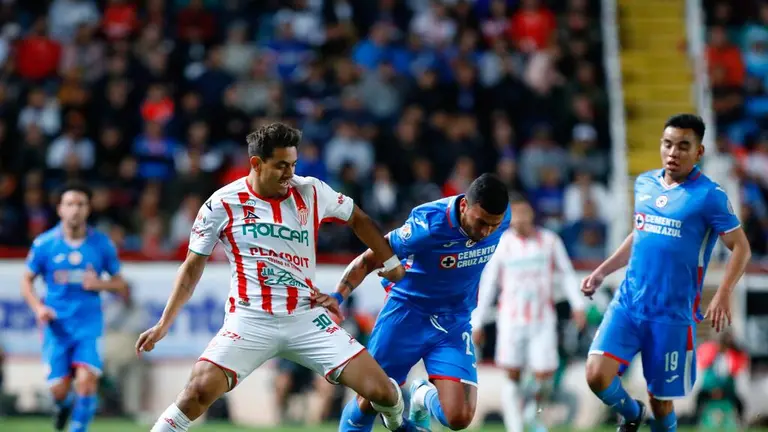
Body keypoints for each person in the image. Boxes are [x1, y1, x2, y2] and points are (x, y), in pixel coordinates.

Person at [135, 122, 422, 432]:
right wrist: (164, 323)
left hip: (306, 318)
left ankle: (398, 424)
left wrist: (390, 260)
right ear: (256, 163)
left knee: (383, 392)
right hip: (250, 320)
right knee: (197, 391)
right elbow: (192, 268)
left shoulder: (311, 190)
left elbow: (358, 218)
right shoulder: (221, 204)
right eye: (281, 166)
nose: (290, 174)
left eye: (293, 164)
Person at [581, 114, 752, 432]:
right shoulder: (645, 183)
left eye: (683, 146)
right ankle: (632, 414)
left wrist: (725, 293)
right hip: (629, 303)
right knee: (595, 374)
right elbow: (640, 234)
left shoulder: (709, 196)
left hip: (671, 314)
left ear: (699, 152)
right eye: (668, 144)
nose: (673, 152)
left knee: (661, 400)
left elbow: (741, 247)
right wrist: (603, 271)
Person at [319, 173, 511, 432]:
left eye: (494, 225)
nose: (486, 231)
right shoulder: (429, 224)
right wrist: (337, 296)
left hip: (453, 321)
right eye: (481, 222)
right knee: (370, 399)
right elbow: (371, 257)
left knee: (459, 417)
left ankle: (420, 395)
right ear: (464, 205)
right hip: (407, 314)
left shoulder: (503, 217)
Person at [470, 193, 587, 432]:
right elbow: (489, 284)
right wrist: (478, 322)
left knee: (545, 375)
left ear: (532, 214)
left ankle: (530, 413)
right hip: (511, 320)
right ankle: (516, 428)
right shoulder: (502, 244)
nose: (519, 219)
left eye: (523, 213)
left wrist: (578, 305)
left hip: (542, 319)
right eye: (514, 215)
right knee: (512, 374)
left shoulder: (550, 241)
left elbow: (565, 274)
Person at [21, 182, 126, 432]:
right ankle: (63, 404)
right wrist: (38, 308)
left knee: (87, 382)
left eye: (81, 204)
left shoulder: (102, 244)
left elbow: (120, 283)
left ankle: (77, 429)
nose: (75, 209)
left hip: (88, 325)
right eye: (70, 204)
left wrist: (100, 284)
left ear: (88, 209)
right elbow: (26, 280)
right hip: (56, 325)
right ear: (60, 209)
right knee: (58, 389)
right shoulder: (45, 244)